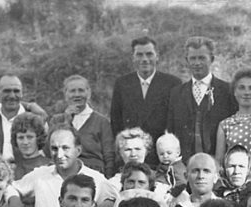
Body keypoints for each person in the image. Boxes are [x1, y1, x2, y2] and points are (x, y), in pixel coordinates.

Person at [9, 126, 118, 207]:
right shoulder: (40, 175)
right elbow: (11, 187)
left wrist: (109, 201)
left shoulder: (97, 179)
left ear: (78, 150)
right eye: (54, 148)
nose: (59, 155)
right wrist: (14, 198)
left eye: (65, 148)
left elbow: (115, 198)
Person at [110, 35, 182, 166]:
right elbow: (116, 121)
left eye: (149, 54)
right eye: (139, 55)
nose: (144, 59)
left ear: (157, 56)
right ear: (133, 57)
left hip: (161, 157)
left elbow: (176, 123)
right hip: (131, 157)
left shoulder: (172, 83)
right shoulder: (122, 83)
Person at [166, 36, 238, 163]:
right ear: (187, 60)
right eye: (193, 58)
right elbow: (170, 132)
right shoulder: (176, 93)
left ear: (212, 59)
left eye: (202, 58)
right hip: (184, 165)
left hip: (217, 164)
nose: (197, 63)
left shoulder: (227, 91)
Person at [50, 75, 116, 178]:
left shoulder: (101, 121)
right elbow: (50, 150)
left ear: (89, 93)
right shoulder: (56, 120)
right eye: (72, 91)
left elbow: (109, 155)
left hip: (93, 174)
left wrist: (108, 179)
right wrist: (66, 122)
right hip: (63, 172)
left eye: (81, 90)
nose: (77, 95)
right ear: (65, 94)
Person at [0, 73, 48, 164]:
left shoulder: (36, 118)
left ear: (22, 92)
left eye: (16, 91)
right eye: (7, 91)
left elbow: (46, 152)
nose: (12, 96)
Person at [11, 113, 50, 181]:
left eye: (30, 137)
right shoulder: (12, 170)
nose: (25, 142)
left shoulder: (50, 166)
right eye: (21, 138)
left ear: (38, 138)